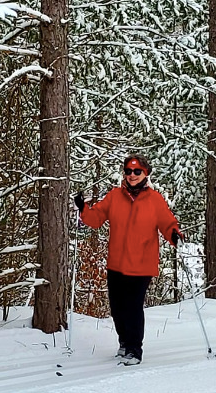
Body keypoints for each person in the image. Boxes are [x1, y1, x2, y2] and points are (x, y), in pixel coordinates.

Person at [74, 154, 182, 366]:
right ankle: (124, 343)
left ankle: (134, 349)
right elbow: (96, 218)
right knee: (117, 307)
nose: (132, 175)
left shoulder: (155, 199)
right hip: (117, 262)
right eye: (128, 171)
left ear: (145, 174)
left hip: (142, 264)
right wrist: (83, 209)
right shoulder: (115, 196)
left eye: (137, 171)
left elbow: (167, 223)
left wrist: (175, 234)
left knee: (133, 306)